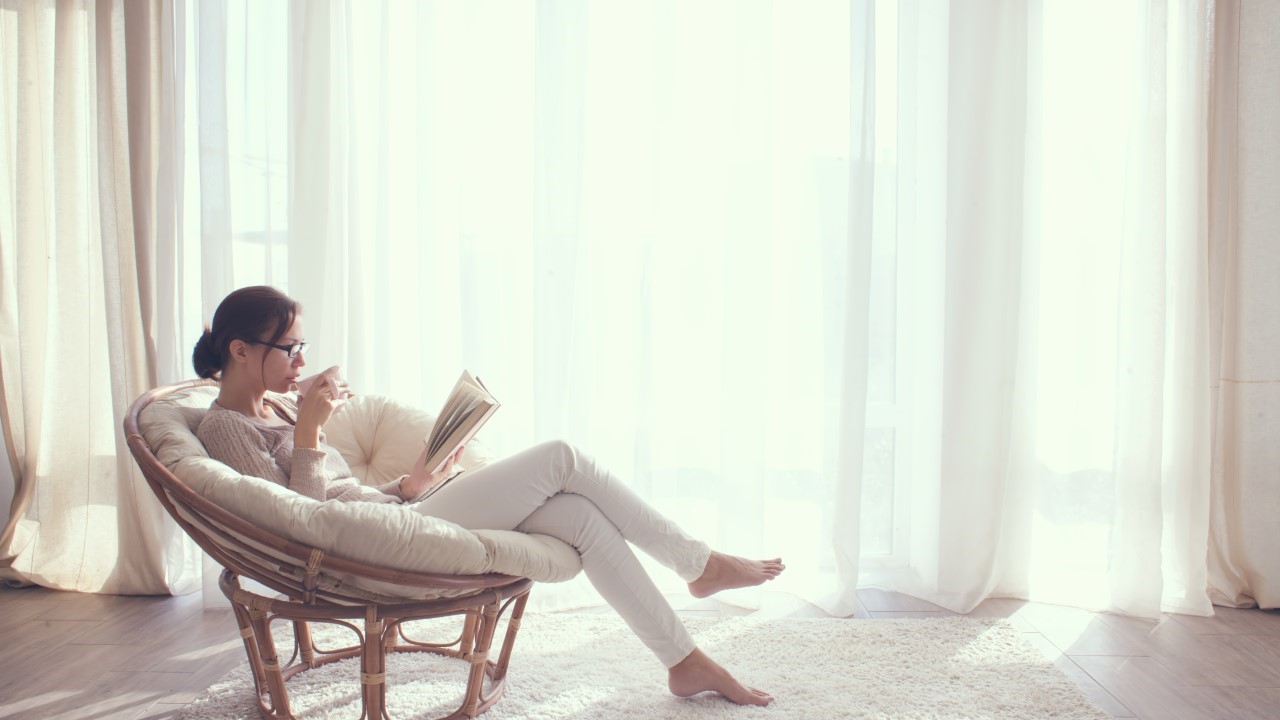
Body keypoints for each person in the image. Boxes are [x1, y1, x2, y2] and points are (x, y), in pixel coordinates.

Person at [192, 286, 785, 706]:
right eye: (289, 348)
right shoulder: (226, 427)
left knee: (577, 513)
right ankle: (698, 564)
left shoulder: (278, 407)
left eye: (303, 345)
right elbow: (299, 524)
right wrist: (310, 431)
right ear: (240, 351)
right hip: (370, 554)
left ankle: (683, 662)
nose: (302, 360)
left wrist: (412, 483)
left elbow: (341, 498)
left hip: (391, 520)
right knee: (562, 457)